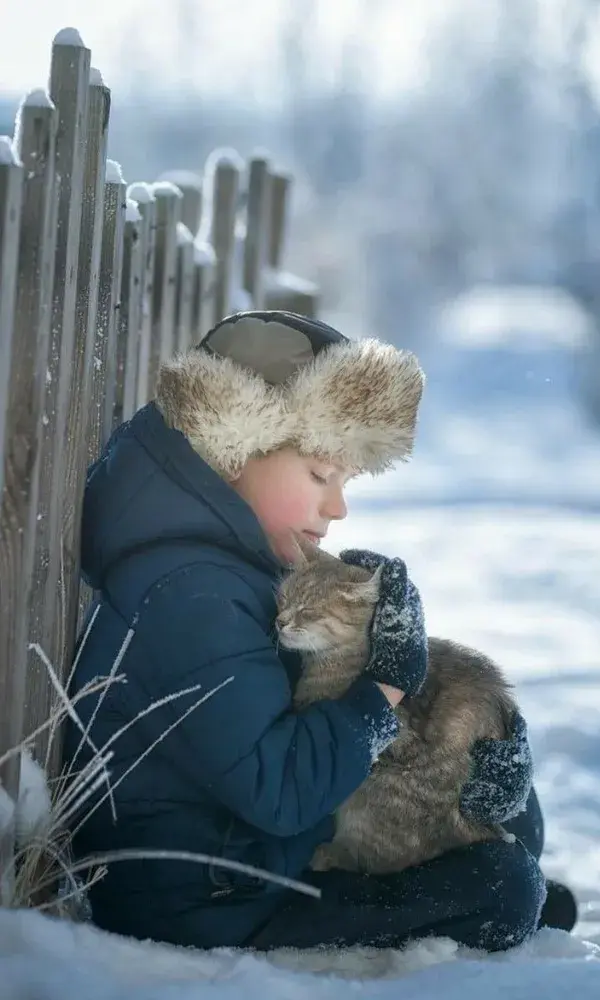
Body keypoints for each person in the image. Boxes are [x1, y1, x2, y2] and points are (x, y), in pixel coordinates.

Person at [62, 310, 577, 953]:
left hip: (245, 860)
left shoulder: (227, 565)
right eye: (318, 475)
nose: (338, 507)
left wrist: (469, 718)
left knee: (511, 832)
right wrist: (386, 681)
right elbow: (279, 792)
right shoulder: (190, 592)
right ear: (233, 444)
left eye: (343, 481)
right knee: (504, 887)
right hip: (208, 904)